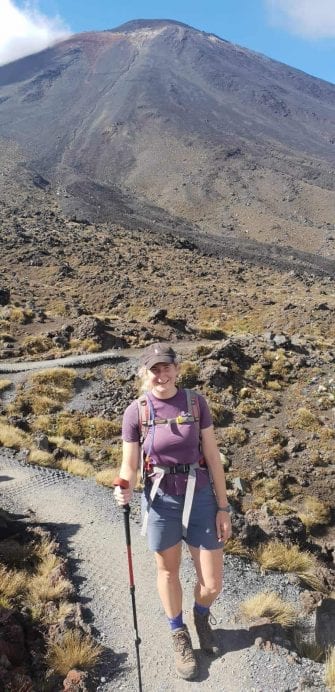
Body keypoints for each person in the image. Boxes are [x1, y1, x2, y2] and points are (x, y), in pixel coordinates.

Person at [114, 342, 232, 680]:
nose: (161, 374)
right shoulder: (136, 411)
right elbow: (130, 463)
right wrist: (122, 486)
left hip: (201, 497)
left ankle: (201, 614)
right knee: (168, 571)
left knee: (211, 583)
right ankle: (178, 632)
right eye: (155, 369)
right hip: (160, 499)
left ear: (177, 369)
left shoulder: (196, 403)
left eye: (166, 367)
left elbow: (212, 455)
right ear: (145, 373)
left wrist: (223, 507)